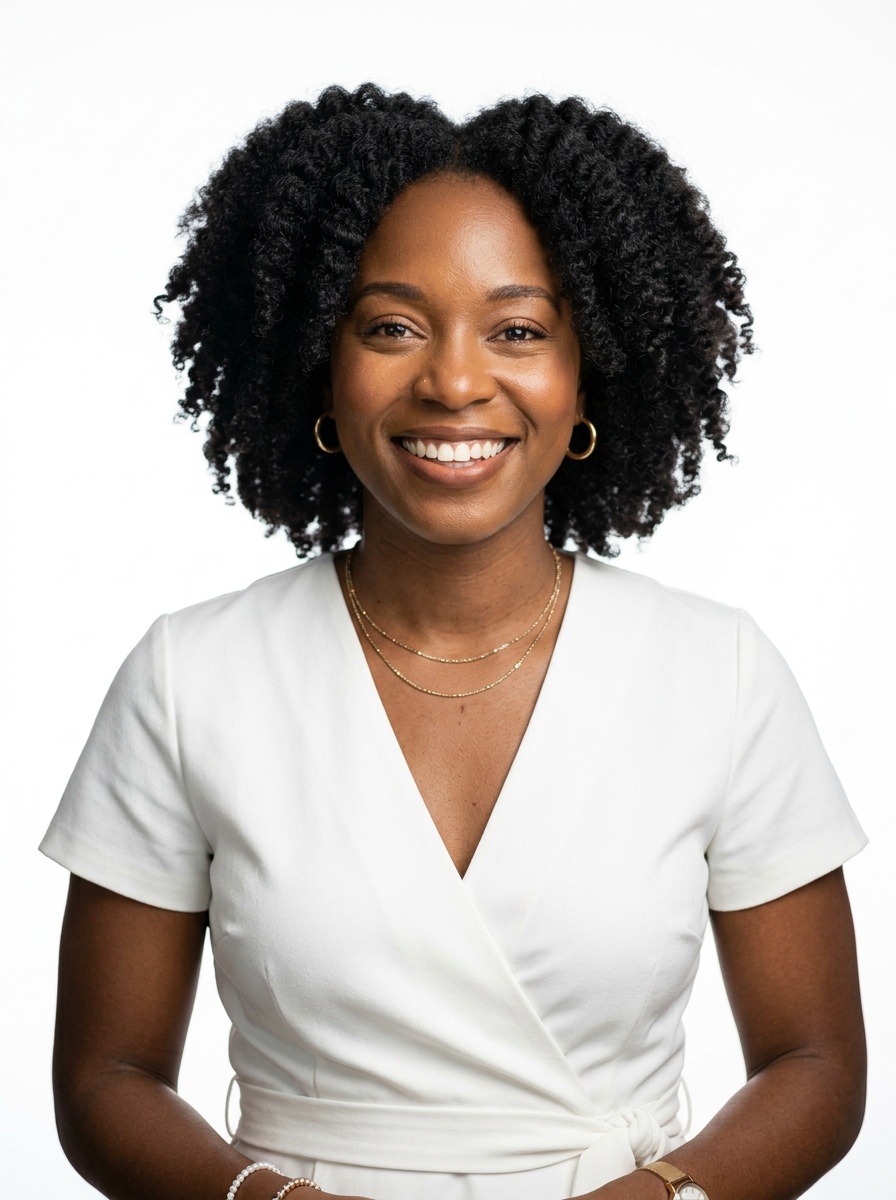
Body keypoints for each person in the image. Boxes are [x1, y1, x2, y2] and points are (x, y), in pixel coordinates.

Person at [40, 84, 867, 1200]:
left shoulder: (717, 672)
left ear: (586, 377)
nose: (455, 382)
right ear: (319, 364)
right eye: (392, 327)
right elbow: (106, 1078)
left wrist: (659, 1197)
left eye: (518, 330)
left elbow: (815, 1065)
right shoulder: (192, 677)